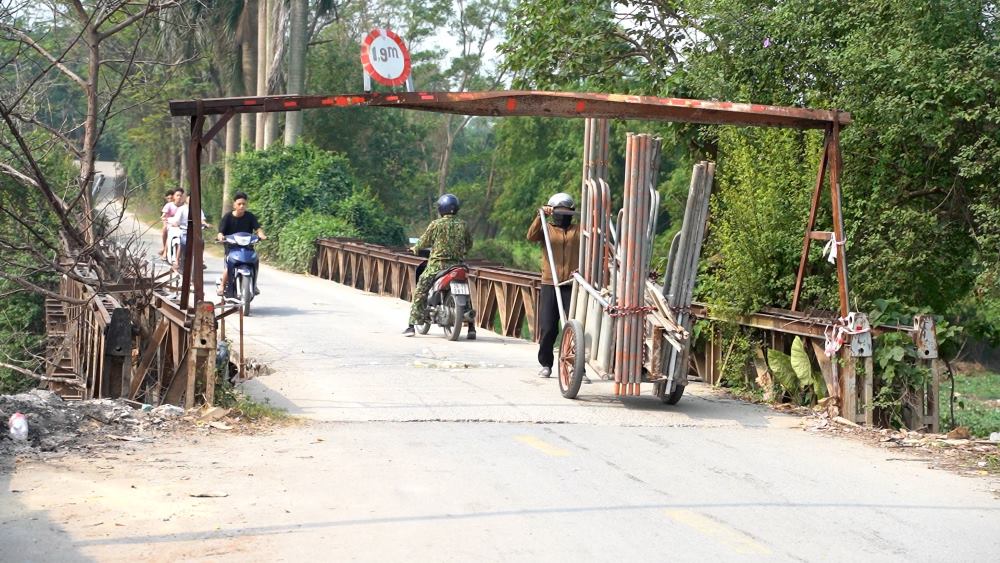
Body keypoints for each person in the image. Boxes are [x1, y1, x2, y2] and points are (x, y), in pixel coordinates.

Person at [403, 193, 473, 337]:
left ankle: (411, 326)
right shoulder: (463, 225)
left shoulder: (436, 224)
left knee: (420, 289)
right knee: (467, 293)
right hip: (457, 266)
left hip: (437, 266)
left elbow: (423, 241)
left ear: (441, 209)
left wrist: (415, 249)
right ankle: (472, 328)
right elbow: (469, 244)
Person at [526, 192, 580, 377]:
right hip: (551, 282)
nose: (562, 215)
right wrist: (541, 215)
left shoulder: (578, 230)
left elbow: (596, 238)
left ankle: (578, 366)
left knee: (575, 327)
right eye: (558, 211)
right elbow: (531, 236)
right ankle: (546, 364)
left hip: (572, 283)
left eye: (566, 211)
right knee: (548, 327)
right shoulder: (547, 228)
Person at [216, 192, 266, 296]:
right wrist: (220, 236)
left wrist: (261, 235)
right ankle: (222, 285)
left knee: (255, 261)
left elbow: (258, 228)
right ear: (234, 205)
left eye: (243, 204)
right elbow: (221, 231)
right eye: (239, 204)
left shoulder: (250, 216)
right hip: (232, 247)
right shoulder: (228, 217)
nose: (242, 206)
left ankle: (254, 284)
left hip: (247, 247)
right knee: (228, 266)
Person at [170, 193, 210, 272]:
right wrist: (176, 223)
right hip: (184, 232)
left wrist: (206, 224)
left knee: (201, 242)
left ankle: (200, 260)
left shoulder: (198, 210)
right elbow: (177, 220)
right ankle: (177, 261)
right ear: (186, 200)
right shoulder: (182, 209)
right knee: (182, 243)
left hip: (195, 233)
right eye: (190, 199)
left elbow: (202, 219)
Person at [159, 188, 180, 258]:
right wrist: (165, 221)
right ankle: (164, 248)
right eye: (168, 198)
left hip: (178, 225)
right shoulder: (168, 205)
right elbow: (163, 216)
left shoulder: (182, 206)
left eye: (171, 198)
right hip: (168, 223)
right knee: (165, 229)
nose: (170, 200)